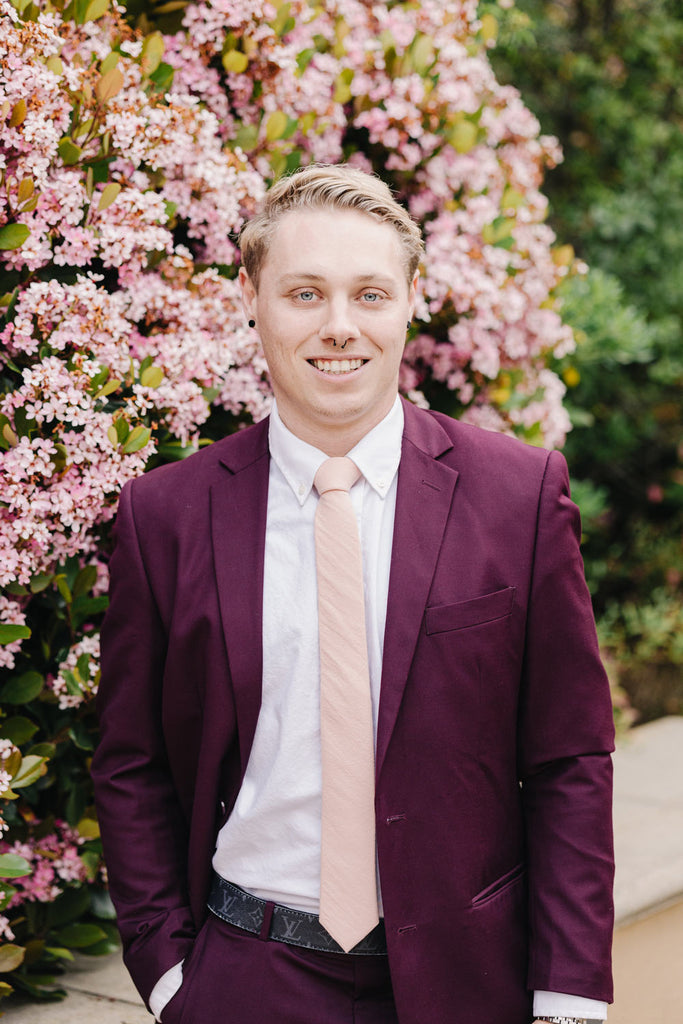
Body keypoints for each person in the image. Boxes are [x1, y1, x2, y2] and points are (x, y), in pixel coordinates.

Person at [91, 164, 614, 1024]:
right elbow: (132, 762)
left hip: (470, 981)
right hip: (245, 976)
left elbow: (567, 763)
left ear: (410, 301)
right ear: (253, 300)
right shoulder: (166, 514)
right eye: (304, 293)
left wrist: (567, 1000)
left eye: (369, 294)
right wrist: (170, 977)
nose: (339, 327)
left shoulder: (518, 497)